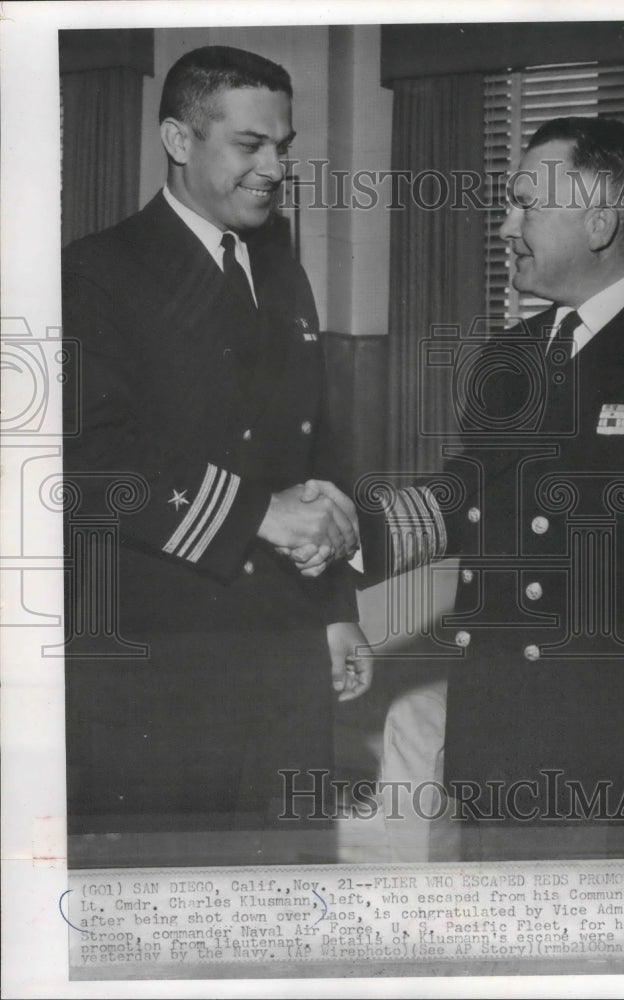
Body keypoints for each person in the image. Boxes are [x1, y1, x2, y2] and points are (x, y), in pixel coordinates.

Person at [312, 116, 624, 854]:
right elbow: (473, 499)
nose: (506, 224)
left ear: (600, 221)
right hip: (501, 742)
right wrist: (349, 524)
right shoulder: (512, 353)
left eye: (525, 206)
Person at [62, 45, 372, 835]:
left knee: (287, 883)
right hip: (160, 658)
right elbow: (88, 463)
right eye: (249, 144)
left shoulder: (280, 265)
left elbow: (317, 448)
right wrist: (257, 516)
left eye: (284, 146)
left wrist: (335, 608)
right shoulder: (98, 274)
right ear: (177, 140)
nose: (274, 167)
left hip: (284, 650)